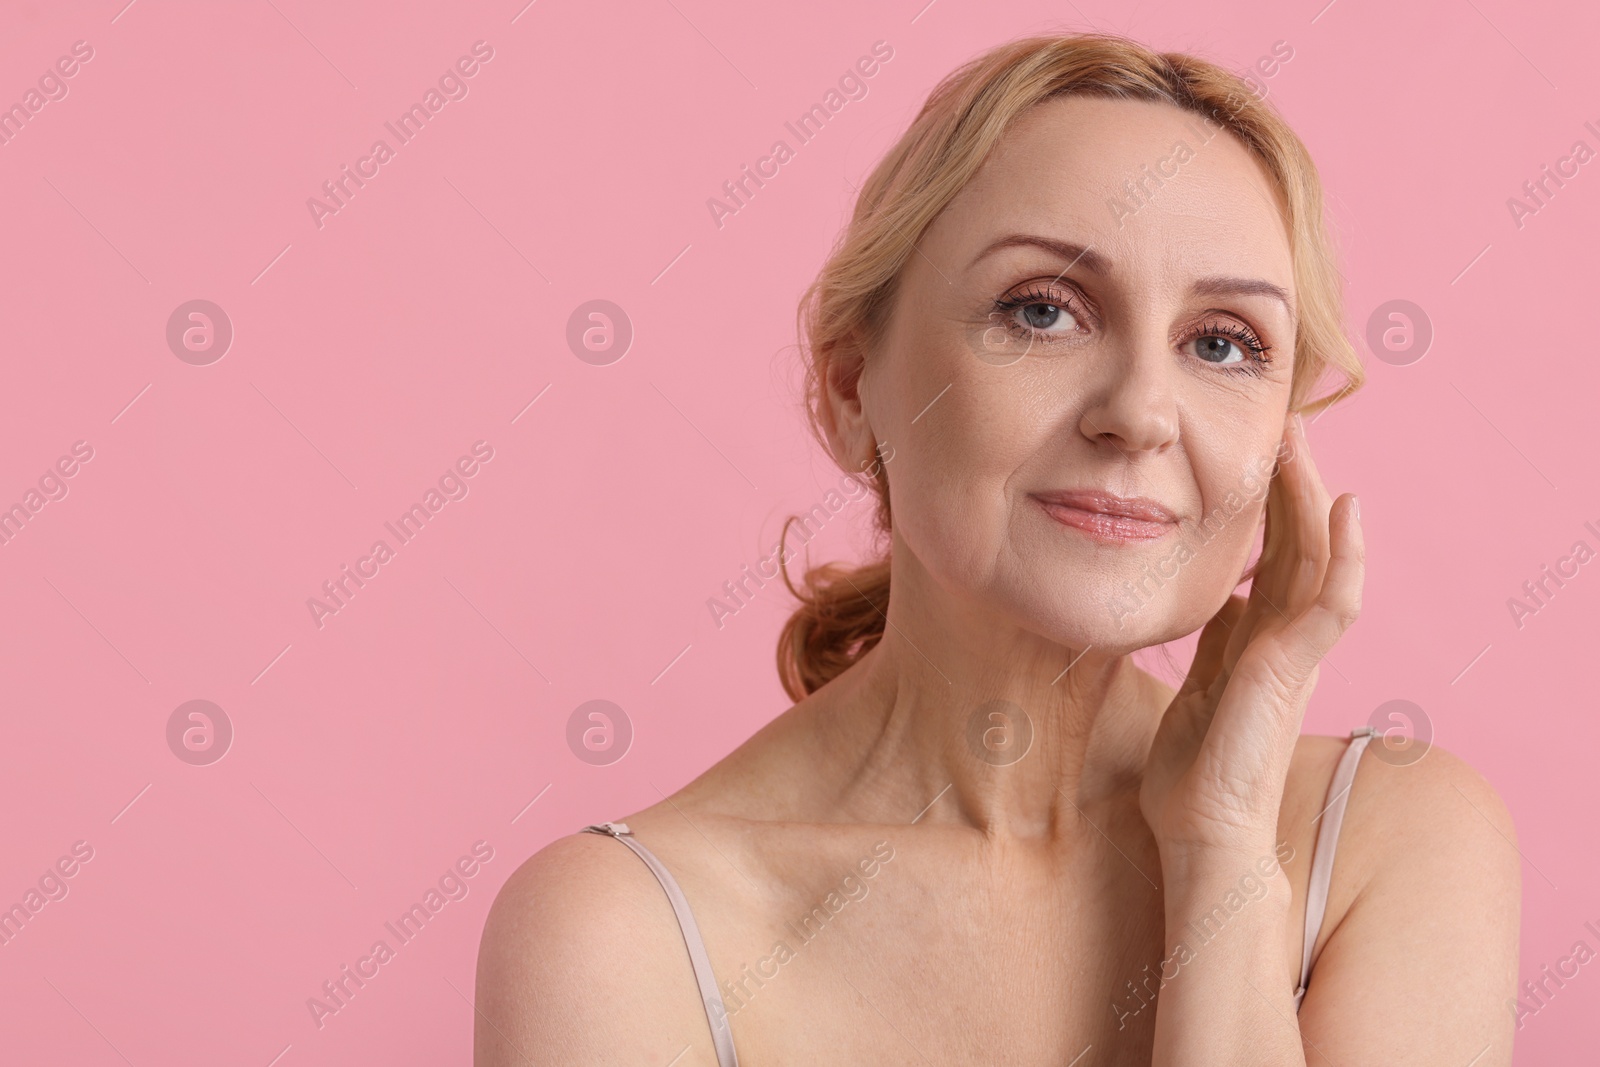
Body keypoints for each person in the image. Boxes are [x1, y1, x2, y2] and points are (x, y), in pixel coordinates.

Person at [474, 30, 1520, 1065]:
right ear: (850, 389)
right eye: (1042, 311)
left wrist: (1222, 851)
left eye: (1222, 343)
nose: (1141, 412)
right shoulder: (621, 934)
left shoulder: (1394, 843)